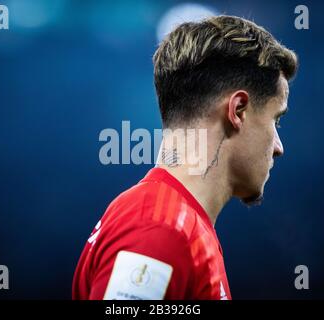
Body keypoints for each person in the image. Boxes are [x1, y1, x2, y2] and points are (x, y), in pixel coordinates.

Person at [72, 15, 298, 300]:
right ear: (238, 110)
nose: (279, 147)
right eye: (275, 121)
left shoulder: (175, 223)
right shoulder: (159, 228)